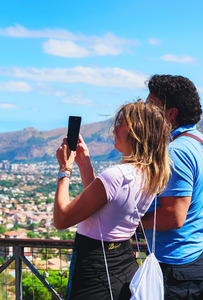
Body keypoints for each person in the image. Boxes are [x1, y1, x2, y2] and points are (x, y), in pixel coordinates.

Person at [54, 100, 171, 300]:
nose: (114, 130)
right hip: (123, 267)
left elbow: (61, 219)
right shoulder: (150, 175)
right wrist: (85, 165)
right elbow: (102, 211)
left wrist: (64, 170)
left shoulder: (117, 175)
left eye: (120, 123)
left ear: (136, 131)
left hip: (93, 272)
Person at [141, 75, 203, 300]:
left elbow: (173, 216)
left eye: (151, 107)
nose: (145, 113)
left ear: (170, 114)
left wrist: (134, 222)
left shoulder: (177, 152)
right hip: (201, 255)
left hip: (178, 264)